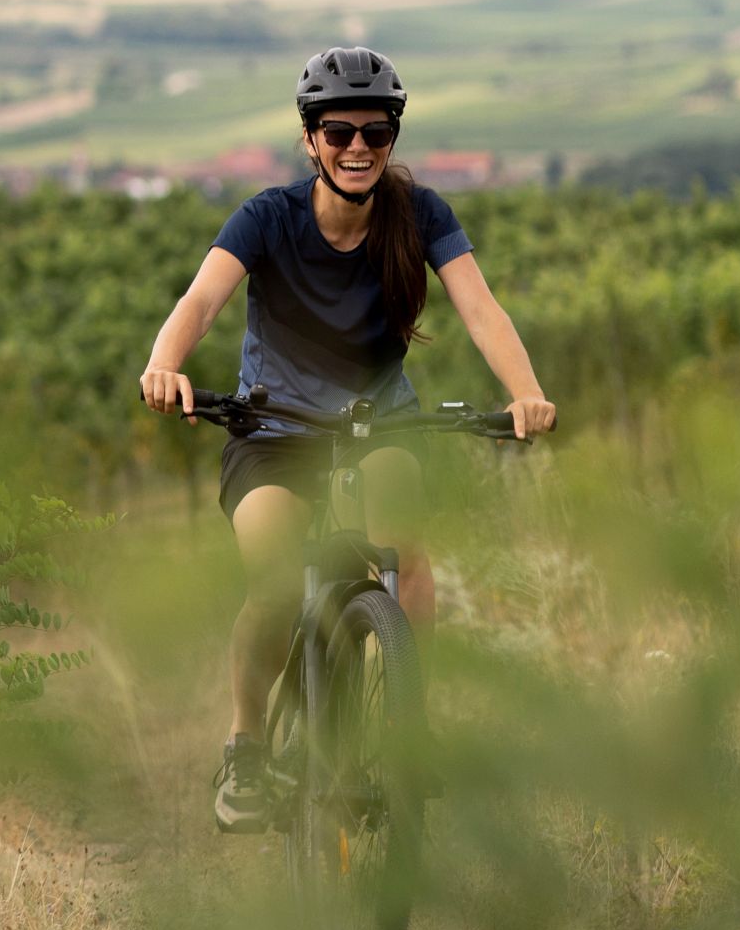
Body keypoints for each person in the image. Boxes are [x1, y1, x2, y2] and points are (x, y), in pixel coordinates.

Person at [137, 46, 559, 832]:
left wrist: (526, 393)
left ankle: (406, 725)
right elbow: (199, 303)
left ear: (394, 137)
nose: (358, 147)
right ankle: (248, 744)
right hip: (274, 428)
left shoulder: (421, 215)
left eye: (377, 130)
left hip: (379, 424)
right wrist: (164, 366)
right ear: (310, 140)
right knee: (272, 580)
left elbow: (481, 309)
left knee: (405, 547)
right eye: (338, 132)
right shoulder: (268, 218)